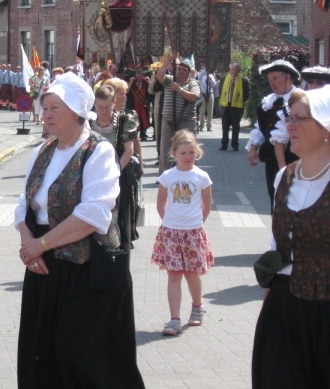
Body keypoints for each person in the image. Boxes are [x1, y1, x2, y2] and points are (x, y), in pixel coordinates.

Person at [15, 72, 144, 389]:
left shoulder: (97, 152)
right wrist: (29, 244)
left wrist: (41, 244)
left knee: (80, 356)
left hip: (88, 272)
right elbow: (24, 204)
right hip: (45, 267)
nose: (46, 114)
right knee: (40, 352)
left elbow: (93, 215)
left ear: (76, 112)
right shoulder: (42, 151)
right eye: (44, 107)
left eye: (54, 107)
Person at [252, 89, 330, 388]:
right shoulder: (284, 177)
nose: (289, 126)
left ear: (326, 127)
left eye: (299, 119)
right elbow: (277, 245)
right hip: (284, 305)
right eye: (289, 118)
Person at [151, 129, 214, 336]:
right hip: (171, 232)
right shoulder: (168, 176)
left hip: (193, 232)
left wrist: (197, 222)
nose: (187, 157)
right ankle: (174, 319)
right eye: (183, 153)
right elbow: (161, 203)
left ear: (197, 152)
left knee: (192, 273)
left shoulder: (202, 176)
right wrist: (169, 221)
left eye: (191, 152)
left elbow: (207, 203)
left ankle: (197, 307)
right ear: (174, 153)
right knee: (174, 274)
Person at [90, 84, 140, 244]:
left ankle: (119, 251)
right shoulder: (89, 123)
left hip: (117, 174)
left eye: (107, 107)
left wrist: (113, 172)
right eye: (100, 107)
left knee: (118, 217)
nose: (103, 112)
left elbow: (129, 151)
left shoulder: (124, 121)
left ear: (114, 104)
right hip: (92, 177)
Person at [247, 60, 300, 213]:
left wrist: (283, 166)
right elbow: (259, 128)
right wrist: (253, 149)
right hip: (272, 160)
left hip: (295, 159)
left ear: (288, 78)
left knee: (293, 198)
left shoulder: (299, 101)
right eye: (270, 80)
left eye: (275, 79)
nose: (272, 83)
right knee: (275, 196)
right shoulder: (268, 102)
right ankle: (277, 235)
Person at [155, 53, 200, 174]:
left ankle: (189, 173)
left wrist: (180, 90)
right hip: (168, 121)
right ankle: (165, 175)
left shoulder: (192, 84)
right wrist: (169, 59)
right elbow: (159, 75)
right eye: (179, 69)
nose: (181, 71)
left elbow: (194, 98)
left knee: (188, 148)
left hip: (186, 122)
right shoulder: (170, 80)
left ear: (189, 72)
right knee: (165, 149)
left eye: (184, 70)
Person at [219, 63, 250, 150]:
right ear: (230, 70)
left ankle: (235, 145)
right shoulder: (223, 80)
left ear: (239, 71)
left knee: (236, 127)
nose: (234, 71)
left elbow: (246, 94)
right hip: (226, 106)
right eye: (233, 69)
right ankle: (224, 145)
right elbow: (221, 92)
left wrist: (238, 101)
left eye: (236, 70)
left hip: (237, 107)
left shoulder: (244, 81)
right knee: (225, 127)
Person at [198, 65, 215, 132]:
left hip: (210, 94)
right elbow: (199, 77)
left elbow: (214, 84)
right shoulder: (201, 75)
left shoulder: (211, 75)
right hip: (203, 94)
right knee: (202, 111)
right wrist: (205, 71)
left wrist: (210, 78)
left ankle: (209, 126)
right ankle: (201, 126)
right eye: (203, 67)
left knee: (210, 111)